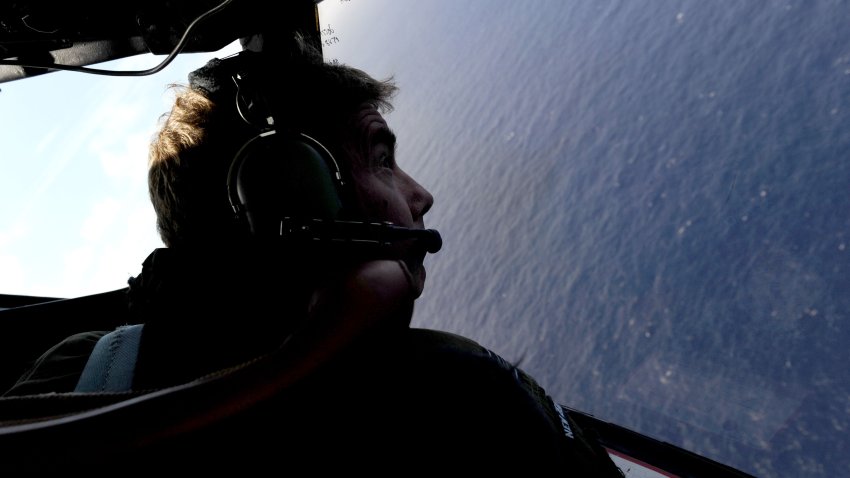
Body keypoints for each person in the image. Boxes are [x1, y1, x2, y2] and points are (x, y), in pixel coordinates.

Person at [2, 35, 623, 475]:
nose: (421, 195)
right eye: (382, 157)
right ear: (293, 196)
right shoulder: (450, 399)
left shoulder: (80, 370)